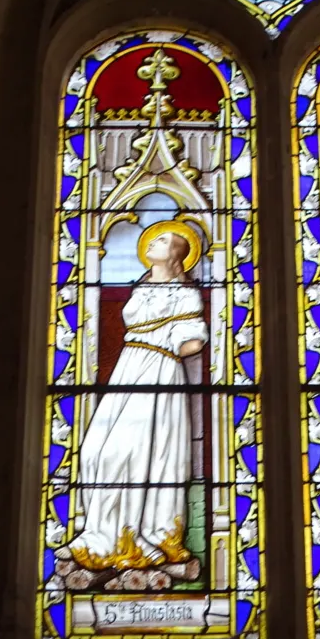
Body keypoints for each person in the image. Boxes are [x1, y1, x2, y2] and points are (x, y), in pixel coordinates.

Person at [68, 222, 207, 572]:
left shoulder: (184, 293)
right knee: (96, 449)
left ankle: (132, 537)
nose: (153, 242)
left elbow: (194, 341)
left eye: (162, 240)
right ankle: (101, 534)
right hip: (127, 370)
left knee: (135, 453)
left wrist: (171, 339)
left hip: (158, 371)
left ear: (177, 253)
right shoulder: (141, 287)